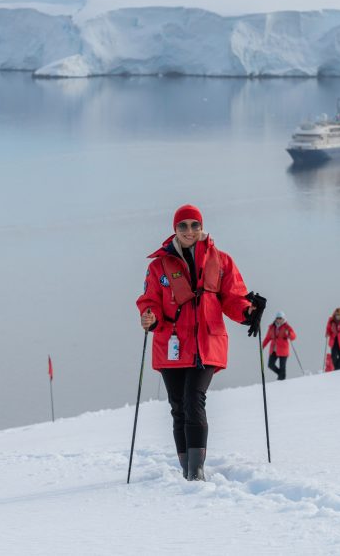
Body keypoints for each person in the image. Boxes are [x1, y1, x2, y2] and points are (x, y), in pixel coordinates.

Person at [136, 204, 257, 481]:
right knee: (178, 405)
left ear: (201, 227)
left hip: (206, 343)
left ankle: (197, 471)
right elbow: (149, 301)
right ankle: (186, 468)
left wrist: (248, 311)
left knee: (194, 399)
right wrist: (149, 317)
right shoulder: (158, 266)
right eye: (183, 226)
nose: (189, 231)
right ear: (175, 229)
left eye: (194, 225)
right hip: (171, 344)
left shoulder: (221, 260)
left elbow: (233, 298)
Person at [262, 311, 297, 381]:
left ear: (283, 319)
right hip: (274, 350)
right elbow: (268, 337)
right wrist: (262, 346)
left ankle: (281, 380)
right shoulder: (272, 327)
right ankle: (281, 375)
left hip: (283, 350)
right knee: (270, 365)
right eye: (277, 318)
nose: (279, 319)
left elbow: (294, 336)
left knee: (282, 367)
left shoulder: (287, 327)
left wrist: (289, 334)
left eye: (280, 318)